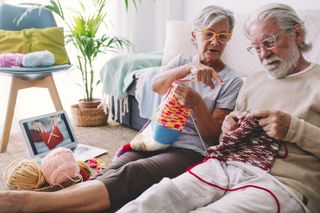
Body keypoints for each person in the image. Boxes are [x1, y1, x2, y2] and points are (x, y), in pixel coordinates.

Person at [0, 5, 243, 212]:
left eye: (223, 36)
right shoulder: (181, 61)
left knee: (134, 173)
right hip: (156, 138)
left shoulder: (231, 81)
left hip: (189, 151)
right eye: (208, 34)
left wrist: (197, 103)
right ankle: (62, 202)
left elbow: (212, 138)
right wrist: (189, 68)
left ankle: (31, 202)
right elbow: (158, 85)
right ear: (194, 36)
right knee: (117, 166)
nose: (214, 42)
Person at [117, 3, 319, 213]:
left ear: (297, 34)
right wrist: (228, 129)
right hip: (225, 166)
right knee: (154, 199)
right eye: (256, 47)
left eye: (269, 42)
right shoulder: (253, 82)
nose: (263, 55)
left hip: (281, 183)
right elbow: (225, 141)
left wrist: (294, 129)